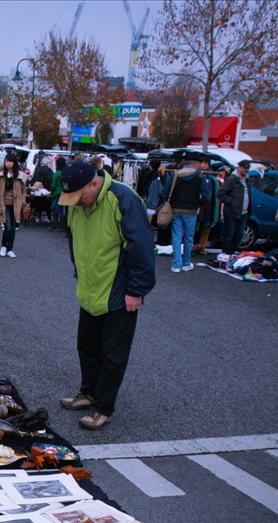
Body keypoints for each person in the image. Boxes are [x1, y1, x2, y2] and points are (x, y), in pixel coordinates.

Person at [57, 160, 156, 430]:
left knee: (113, 353)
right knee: (86, 345)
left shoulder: (123, 199)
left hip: (118, 290)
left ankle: (103, 407)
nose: (76, 202)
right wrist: (80, 273)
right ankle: (88, 392)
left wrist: (136, 290)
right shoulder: (78, 205)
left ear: (95, 183)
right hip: (90, 288)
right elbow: (75, 239)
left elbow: (142, 247)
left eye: (80, 196)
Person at [167, 158, 208, 273]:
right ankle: (186, 263)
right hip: (191, 210)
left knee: (176, 236)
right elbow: (206, 196)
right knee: (189, 237)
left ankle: (176, 264)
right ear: (194, 163)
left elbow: (165, 191)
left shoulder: (175, 175)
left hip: (176, 208)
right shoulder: (199, 177)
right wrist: (198, 203)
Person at [218, 159, 253, 257]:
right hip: (231, 212)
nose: (247, 170)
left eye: (248, 168)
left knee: (239, 235)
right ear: (239, 167)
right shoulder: (231, 179)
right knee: (229, 235)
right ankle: (226, 254)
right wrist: (231, 202)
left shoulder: (247, 180)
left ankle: (232, 253)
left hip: (244, 212)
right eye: (245, 168)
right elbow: (221, 193)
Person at [0, 155, 26, 258]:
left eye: (10, 161)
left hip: (16, 204)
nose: (8, 163)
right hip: (4, 204)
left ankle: (10, 248)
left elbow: (23, 190)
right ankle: (4, 246)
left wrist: (23, 200)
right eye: (6, 161)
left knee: (13, 227)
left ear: (14, 163)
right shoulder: (1, 175)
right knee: (7, 226)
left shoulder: (20, 175)